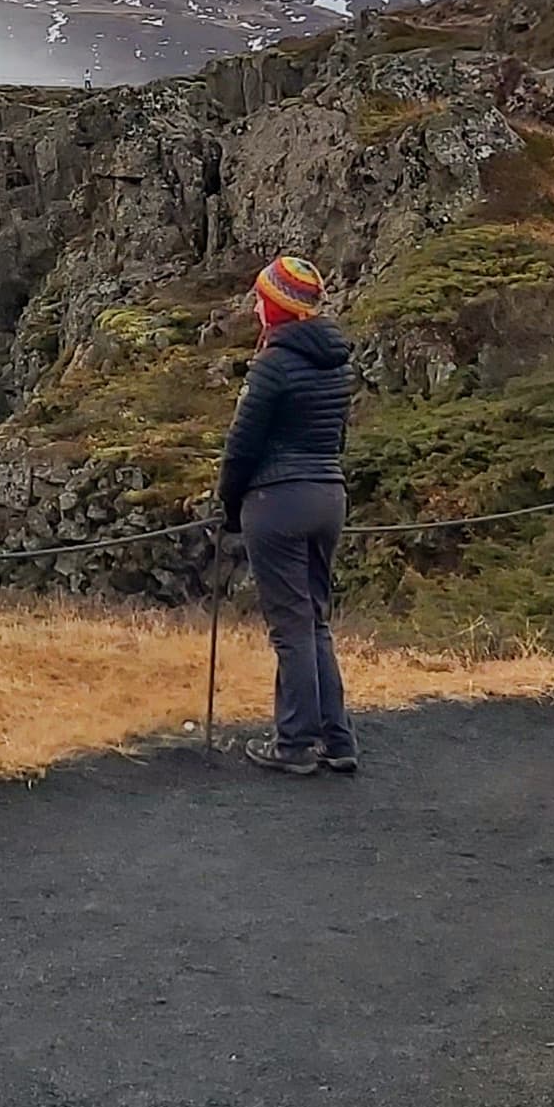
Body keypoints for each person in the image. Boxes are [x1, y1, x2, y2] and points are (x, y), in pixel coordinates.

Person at [217, 252, 356, 777]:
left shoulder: (272, 365)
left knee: (291, 628)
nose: (255, 308)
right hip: (328, 495)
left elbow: (242, 446)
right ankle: (338, 739)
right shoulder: (337, 362)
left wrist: (230, 505)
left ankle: (295, 743)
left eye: (260, 299)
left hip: (277, 501)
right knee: (315, 622)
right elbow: (337, 436)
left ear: (276, 309)